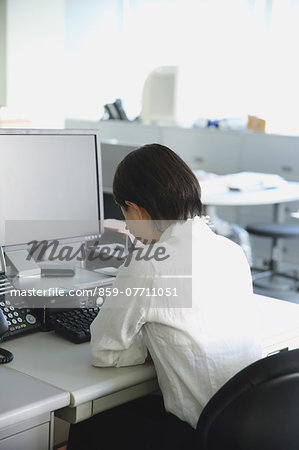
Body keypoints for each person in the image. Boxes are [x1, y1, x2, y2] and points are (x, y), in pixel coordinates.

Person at [67, 143, 261, 450]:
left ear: (138, 209)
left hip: (199, 435)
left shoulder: (148, 264)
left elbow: (103, 353)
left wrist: (145, 348)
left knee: (85, 428)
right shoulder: (231, 251)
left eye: (125, 214)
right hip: (246, 426)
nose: (128, 227)